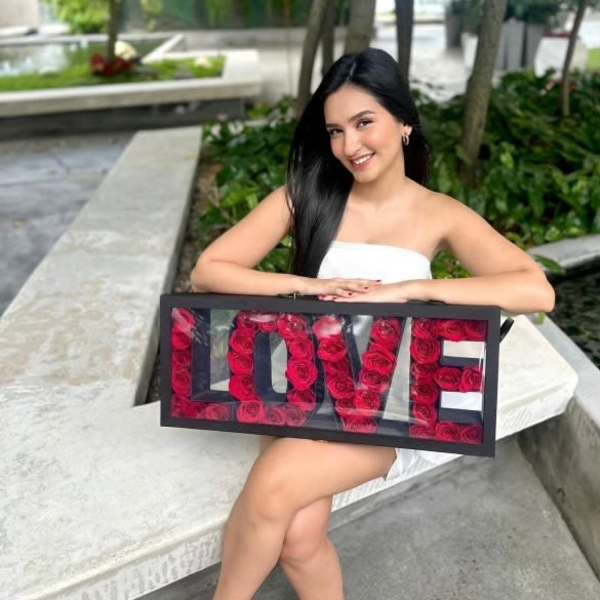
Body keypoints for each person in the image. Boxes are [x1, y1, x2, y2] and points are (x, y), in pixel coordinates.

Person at [190, 47, 555, 600]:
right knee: (299, 537)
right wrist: (308, 286)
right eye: (336, 131)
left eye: (364, 123)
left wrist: (414, 289)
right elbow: (208, 270)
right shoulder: (306, 197)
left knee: (271, 488)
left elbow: (536, 289)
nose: (350, 146)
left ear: (403, 121)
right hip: (298, 385)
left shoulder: (439, 213)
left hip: (384, 403)